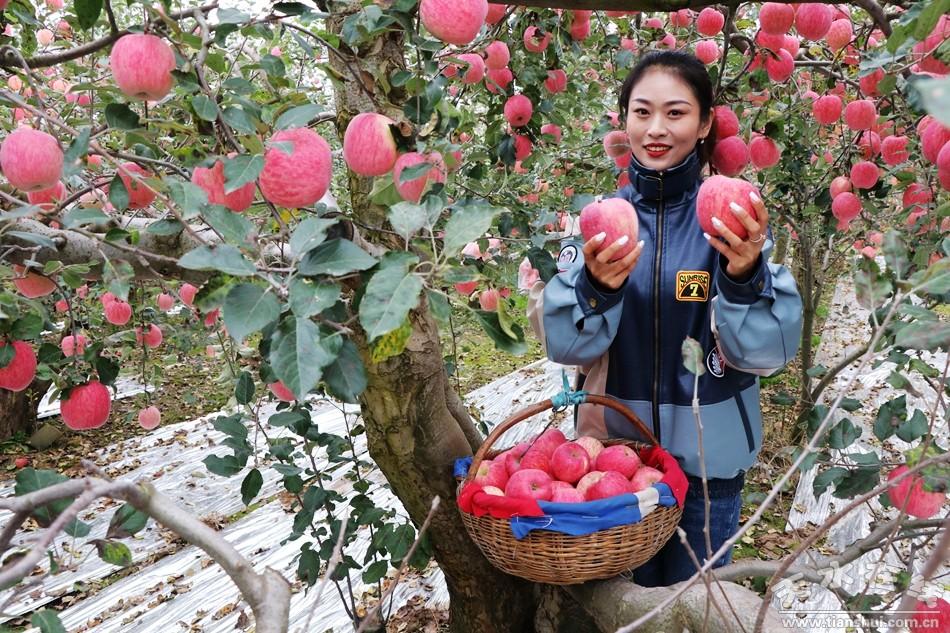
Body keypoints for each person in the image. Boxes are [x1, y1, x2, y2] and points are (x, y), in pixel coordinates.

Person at [526, 50, 803, 587]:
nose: (656, 129)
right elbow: (565, 345)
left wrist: (743, 276)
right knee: (615, 610)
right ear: (623, 119)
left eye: (675, 113)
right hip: (613, 464)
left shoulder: (734, 222)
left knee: (692, 609)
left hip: (706, 467)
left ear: (704, 125)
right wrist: (595, 286)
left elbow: (766, 353)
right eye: (641, 112)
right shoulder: (598, 225)